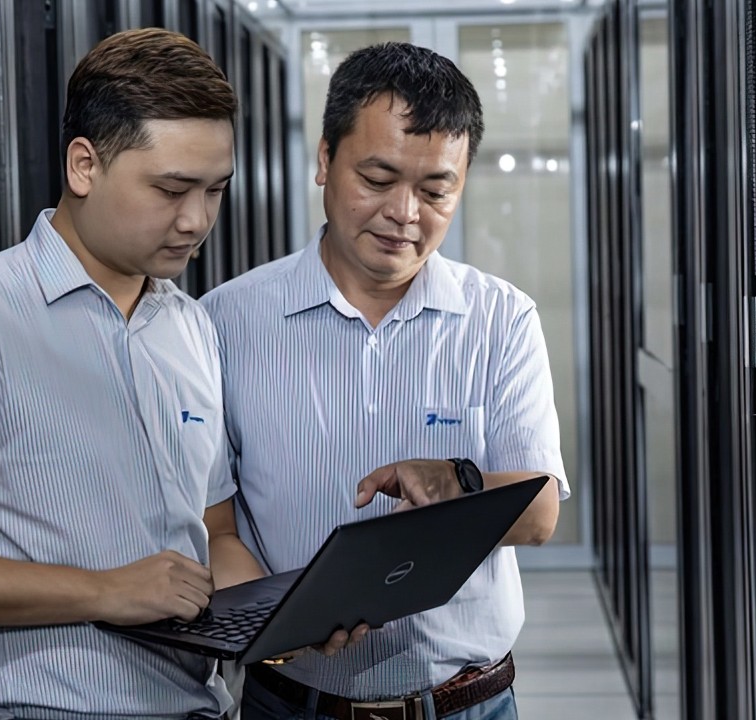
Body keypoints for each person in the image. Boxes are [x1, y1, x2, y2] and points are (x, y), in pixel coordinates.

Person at [0, 28, 265, 720]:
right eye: (172, 188)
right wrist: (102, 591)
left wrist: (278, 618)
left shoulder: (191, 326)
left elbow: (213, 530)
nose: (195, 221)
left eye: (215, 190)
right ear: (84, 166)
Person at [201, 42, 570, 720]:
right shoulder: (225, 321)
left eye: (435, 191)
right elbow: (214, 523)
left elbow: (540, 510)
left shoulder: (499, 318)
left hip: (467, 704)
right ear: (323, 160)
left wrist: (457, 482)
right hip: (291, 703)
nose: (405, 213)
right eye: (378, 178)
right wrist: (272, 613)